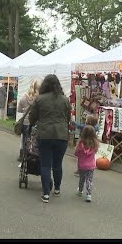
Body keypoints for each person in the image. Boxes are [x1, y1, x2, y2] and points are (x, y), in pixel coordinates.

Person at [29, 74, 72, 203]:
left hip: (45, 135)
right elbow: (68, 117)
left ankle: (46, 194)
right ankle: (57, 189)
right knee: (57, 164)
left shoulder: (39, 99)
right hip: (61, 135)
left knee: (46, 165)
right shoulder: (65, 100)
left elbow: (32, 117)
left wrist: (35, 123)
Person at [16, 79, 40, 162]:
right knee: (32, 140)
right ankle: (31, 156)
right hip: (34, 123)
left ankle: (23, 156)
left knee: (24, 140)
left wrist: (25, 111)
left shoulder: (23, 98)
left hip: (25, 122)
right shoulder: (38, 99)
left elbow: (19, 110)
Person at [74, 125, 99, 202]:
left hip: (82, 165)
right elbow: (95, 151)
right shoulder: (94, 144)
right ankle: (88, 195)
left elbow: (76, 153)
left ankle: (80, 191)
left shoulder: (81, 143)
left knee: (82, 179)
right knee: (89, 180)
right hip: (91, 166)